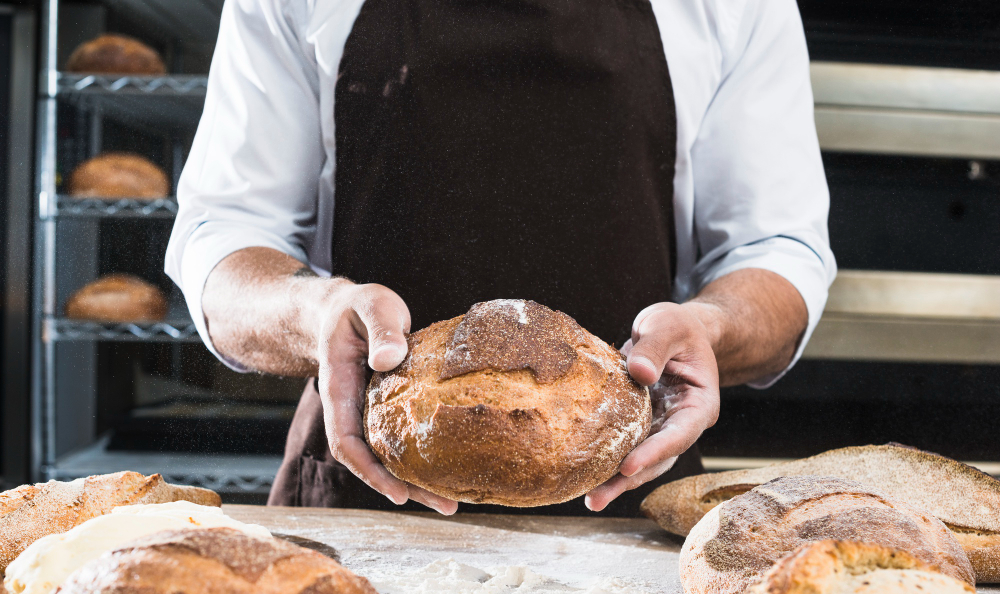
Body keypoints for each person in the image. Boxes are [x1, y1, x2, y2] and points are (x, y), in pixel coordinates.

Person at [165, 0, 836, 517]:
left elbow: (776, 250)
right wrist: (316, 313)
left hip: (624, 499)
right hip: (369, 505)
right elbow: (224, 238)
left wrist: (712, 327)